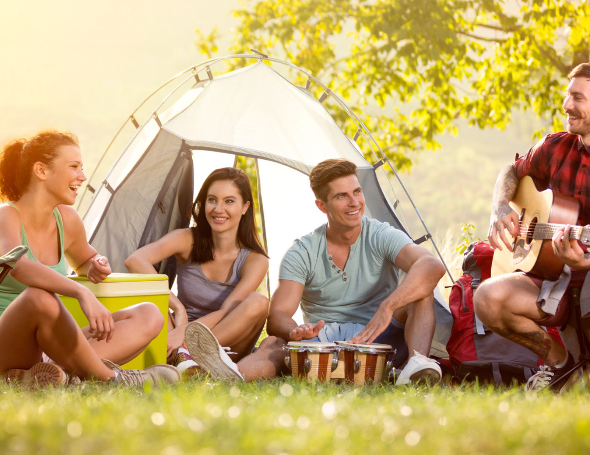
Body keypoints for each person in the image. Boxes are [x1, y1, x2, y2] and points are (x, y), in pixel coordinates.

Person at [474, 60, 590, 394]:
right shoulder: (554, 146)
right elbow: (512, 171)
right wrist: (500, 207)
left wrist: (585, 262)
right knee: (487, 298)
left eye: (577, 98)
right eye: (568, 95)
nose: (566, 105)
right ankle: (561, 366)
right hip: (553, 277)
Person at [183, 158, 447, 385]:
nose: (354, 202)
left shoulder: (380, 234)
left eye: (357, 192)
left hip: (381, 337)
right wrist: (294, 330)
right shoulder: (303, 251)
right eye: (342, 196)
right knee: (273, 344)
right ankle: (229, 377)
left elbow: (431, 265)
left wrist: (387, 307)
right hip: (323, 344)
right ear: (322, 206)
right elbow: (277, 316)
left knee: (420, 291)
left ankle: (414, 366)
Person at [0, 131, 179, 388]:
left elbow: (84, 259)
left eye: (82, 167)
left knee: (150, 314)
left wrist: (96, 263)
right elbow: (19, 267)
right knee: (39, 297)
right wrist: (80, 292)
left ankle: (53, 377)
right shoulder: (5, 217)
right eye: (74, 167)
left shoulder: (66, 219)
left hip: (47, 348)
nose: (83, 176)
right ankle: (115, 380)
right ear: (41, 171)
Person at [125, 167, 270, 376]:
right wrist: (178, 308)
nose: (218, 209)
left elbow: (227, 311)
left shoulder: (255, 260)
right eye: (212, 200)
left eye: (229, 201)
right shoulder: (187, 239)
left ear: (245, 207)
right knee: (150, 298)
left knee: (259, 301)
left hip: (223, 344)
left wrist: (184, 336)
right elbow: (135, 260)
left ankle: (190, 357)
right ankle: (181, 361)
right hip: (174, 335)